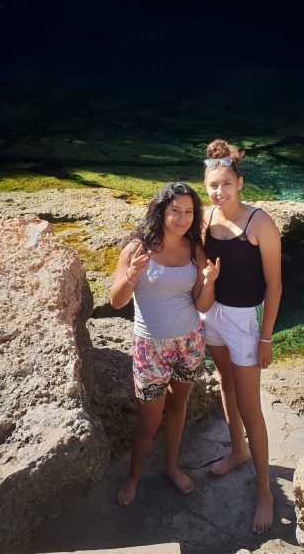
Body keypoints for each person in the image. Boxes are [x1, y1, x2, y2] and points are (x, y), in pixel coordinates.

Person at [108, 181, 218, 506]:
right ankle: (133, 477)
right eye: (175, 211)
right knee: (148, 422)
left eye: (189, 212)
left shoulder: (194, 249)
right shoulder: (137, 249)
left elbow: (201, 305)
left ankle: (171, 465)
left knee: (178, 407)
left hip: (189, 343)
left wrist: (210, 282)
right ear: (161, 210)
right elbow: (115, 301)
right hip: (150, 349)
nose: (182, 218)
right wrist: (130, 275)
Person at [199, 139, 282, 534]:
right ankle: (237, 451)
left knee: (251, 406)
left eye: (226, 184)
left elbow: (275, 285)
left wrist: (266, 337)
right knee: (224, 383)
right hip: (212, 314)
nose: (219, 192)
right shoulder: (204, 218)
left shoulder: (259, 222)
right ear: (206, 186)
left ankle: (265, 490)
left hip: (245, 320)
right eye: (213, 185)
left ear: (240, 182)